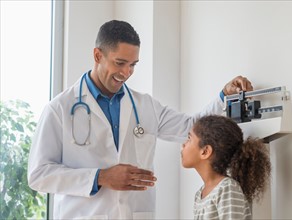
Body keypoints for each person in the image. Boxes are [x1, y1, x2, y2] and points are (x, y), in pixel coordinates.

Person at [27, 20, 254, 219]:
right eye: (119, 63)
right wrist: (100, 177)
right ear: (98, 55)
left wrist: (224, 96)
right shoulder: (59, 109)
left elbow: (191, 128)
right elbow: (38, 175)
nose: (126, 73)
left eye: (133, 65)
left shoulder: (144, 106)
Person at [181, 115, 271, 220]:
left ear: (205, 152)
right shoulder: (199, 195)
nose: (183, 144)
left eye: (189, 139)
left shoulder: (226, 189)